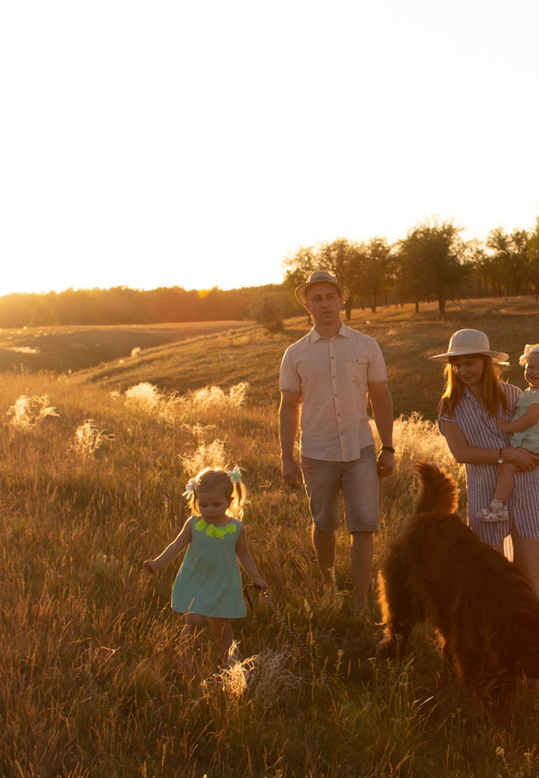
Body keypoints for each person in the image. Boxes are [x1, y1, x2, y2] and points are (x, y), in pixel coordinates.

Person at [278, 269, 397, 616]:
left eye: (330, 296)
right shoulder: (295, 353)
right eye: (317, 298)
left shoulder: (365, 345)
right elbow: (288, 408)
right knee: (324, 523)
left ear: (341, 299)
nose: (325, 303)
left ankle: (361, 600)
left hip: (360, 449)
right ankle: (328, 587)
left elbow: (380, 396)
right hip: (316, 451)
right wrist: (287, 458)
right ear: (307, 305)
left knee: (364, 524)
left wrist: (387, 447)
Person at [432, 329, 539, 596]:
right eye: (457, 365)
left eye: (470, 363)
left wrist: (533, 457)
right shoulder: (449, 406)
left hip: (526, 490)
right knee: (491, 578)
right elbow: (461, 453)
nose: (463, 371)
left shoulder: (513, 395)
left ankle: (529, 635)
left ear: (487, 363)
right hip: (486, 498)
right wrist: (507, 455)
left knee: (528, 578)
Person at [143, 466, 268, 667]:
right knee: (194, 620)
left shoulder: (236, 528)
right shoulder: (193, 525)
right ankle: (186, 656)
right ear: (196, 501)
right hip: (196, 580)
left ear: (230, 501)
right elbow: (176, 546)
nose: (209, 510)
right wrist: (157, 563)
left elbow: (244, 554)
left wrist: (257, 578)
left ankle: (227, 661)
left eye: (216, 504)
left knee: (222, 628)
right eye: (204, 504)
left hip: (222, 583)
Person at [483, 343, 539, 524]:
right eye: (530, 367)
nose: (534, 372)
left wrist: (508, 427)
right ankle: (502, 505)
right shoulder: (531, 393)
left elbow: (530, 419)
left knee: (507, 466)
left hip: (537, 445)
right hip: (532, 443)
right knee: (506, 467)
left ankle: (498, 507)